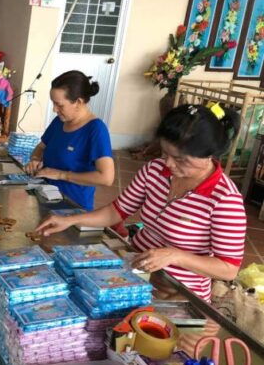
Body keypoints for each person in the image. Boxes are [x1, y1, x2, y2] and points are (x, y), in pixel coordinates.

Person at [36, 104, 247, 302]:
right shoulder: (155, 170)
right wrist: (71, 220)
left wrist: (174, 255)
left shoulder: (224, 199)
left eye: (181, 159)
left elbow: (228, 268)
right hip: (135, 272)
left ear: (208, 155)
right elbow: (117, 211)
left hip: (178, 291)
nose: (169, 164)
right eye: (165, 153)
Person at [25, 70, 114, 211]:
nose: (54, 109)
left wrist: (62, 175)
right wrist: (35, 159)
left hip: (72, 206)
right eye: (53, 103)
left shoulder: (96, 129)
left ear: (78, 102)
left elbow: (106, 178)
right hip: (46, 197)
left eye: (59, 105)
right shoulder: (59, 121)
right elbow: (41, 147)